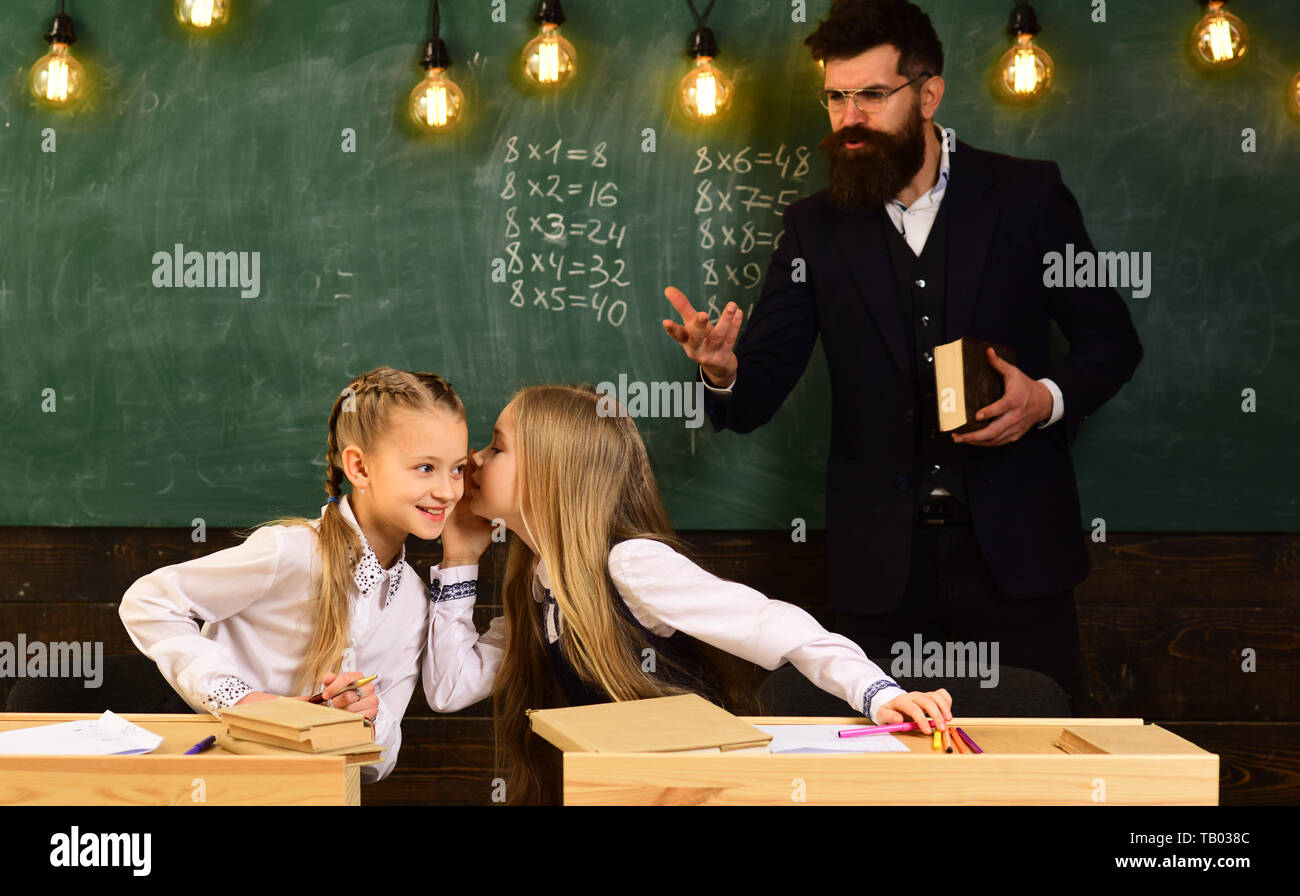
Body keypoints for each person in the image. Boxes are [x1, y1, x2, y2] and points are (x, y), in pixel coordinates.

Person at [661, 0, 1143, 709]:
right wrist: (722, 371)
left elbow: (1112, 340)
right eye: (835, 97)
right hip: (877, 573)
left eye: (871, 96)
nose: (849, 117)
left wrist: (1045, 399)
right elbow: (755, 392)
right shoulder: (813, 229)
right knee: (873, 772)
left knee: (1038, 763)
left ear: (928, 93)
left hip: (1019, 557)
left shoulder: (1026, 194)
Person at [422, 384, 953, 804]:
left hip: (699, 790)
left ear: (550, 472)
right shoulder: (540, 585)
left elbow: (783, 627)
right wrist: (461, 559)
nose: (474, 458)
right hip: (636, 792)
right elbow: (449, 690)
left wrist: (880, 694)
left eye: (497, 446)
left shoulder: (631, 565)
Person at [120, 366, 469, 781]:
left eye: (458, 469)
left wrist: (363, 721)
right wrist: (240, 699)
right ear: (359, 468)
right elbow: (148, 602)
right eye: (426, 468)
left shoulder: (412, 600)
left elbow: (381, 764)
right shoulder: (291, 551)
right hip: (217, 778)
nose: (448, 491)